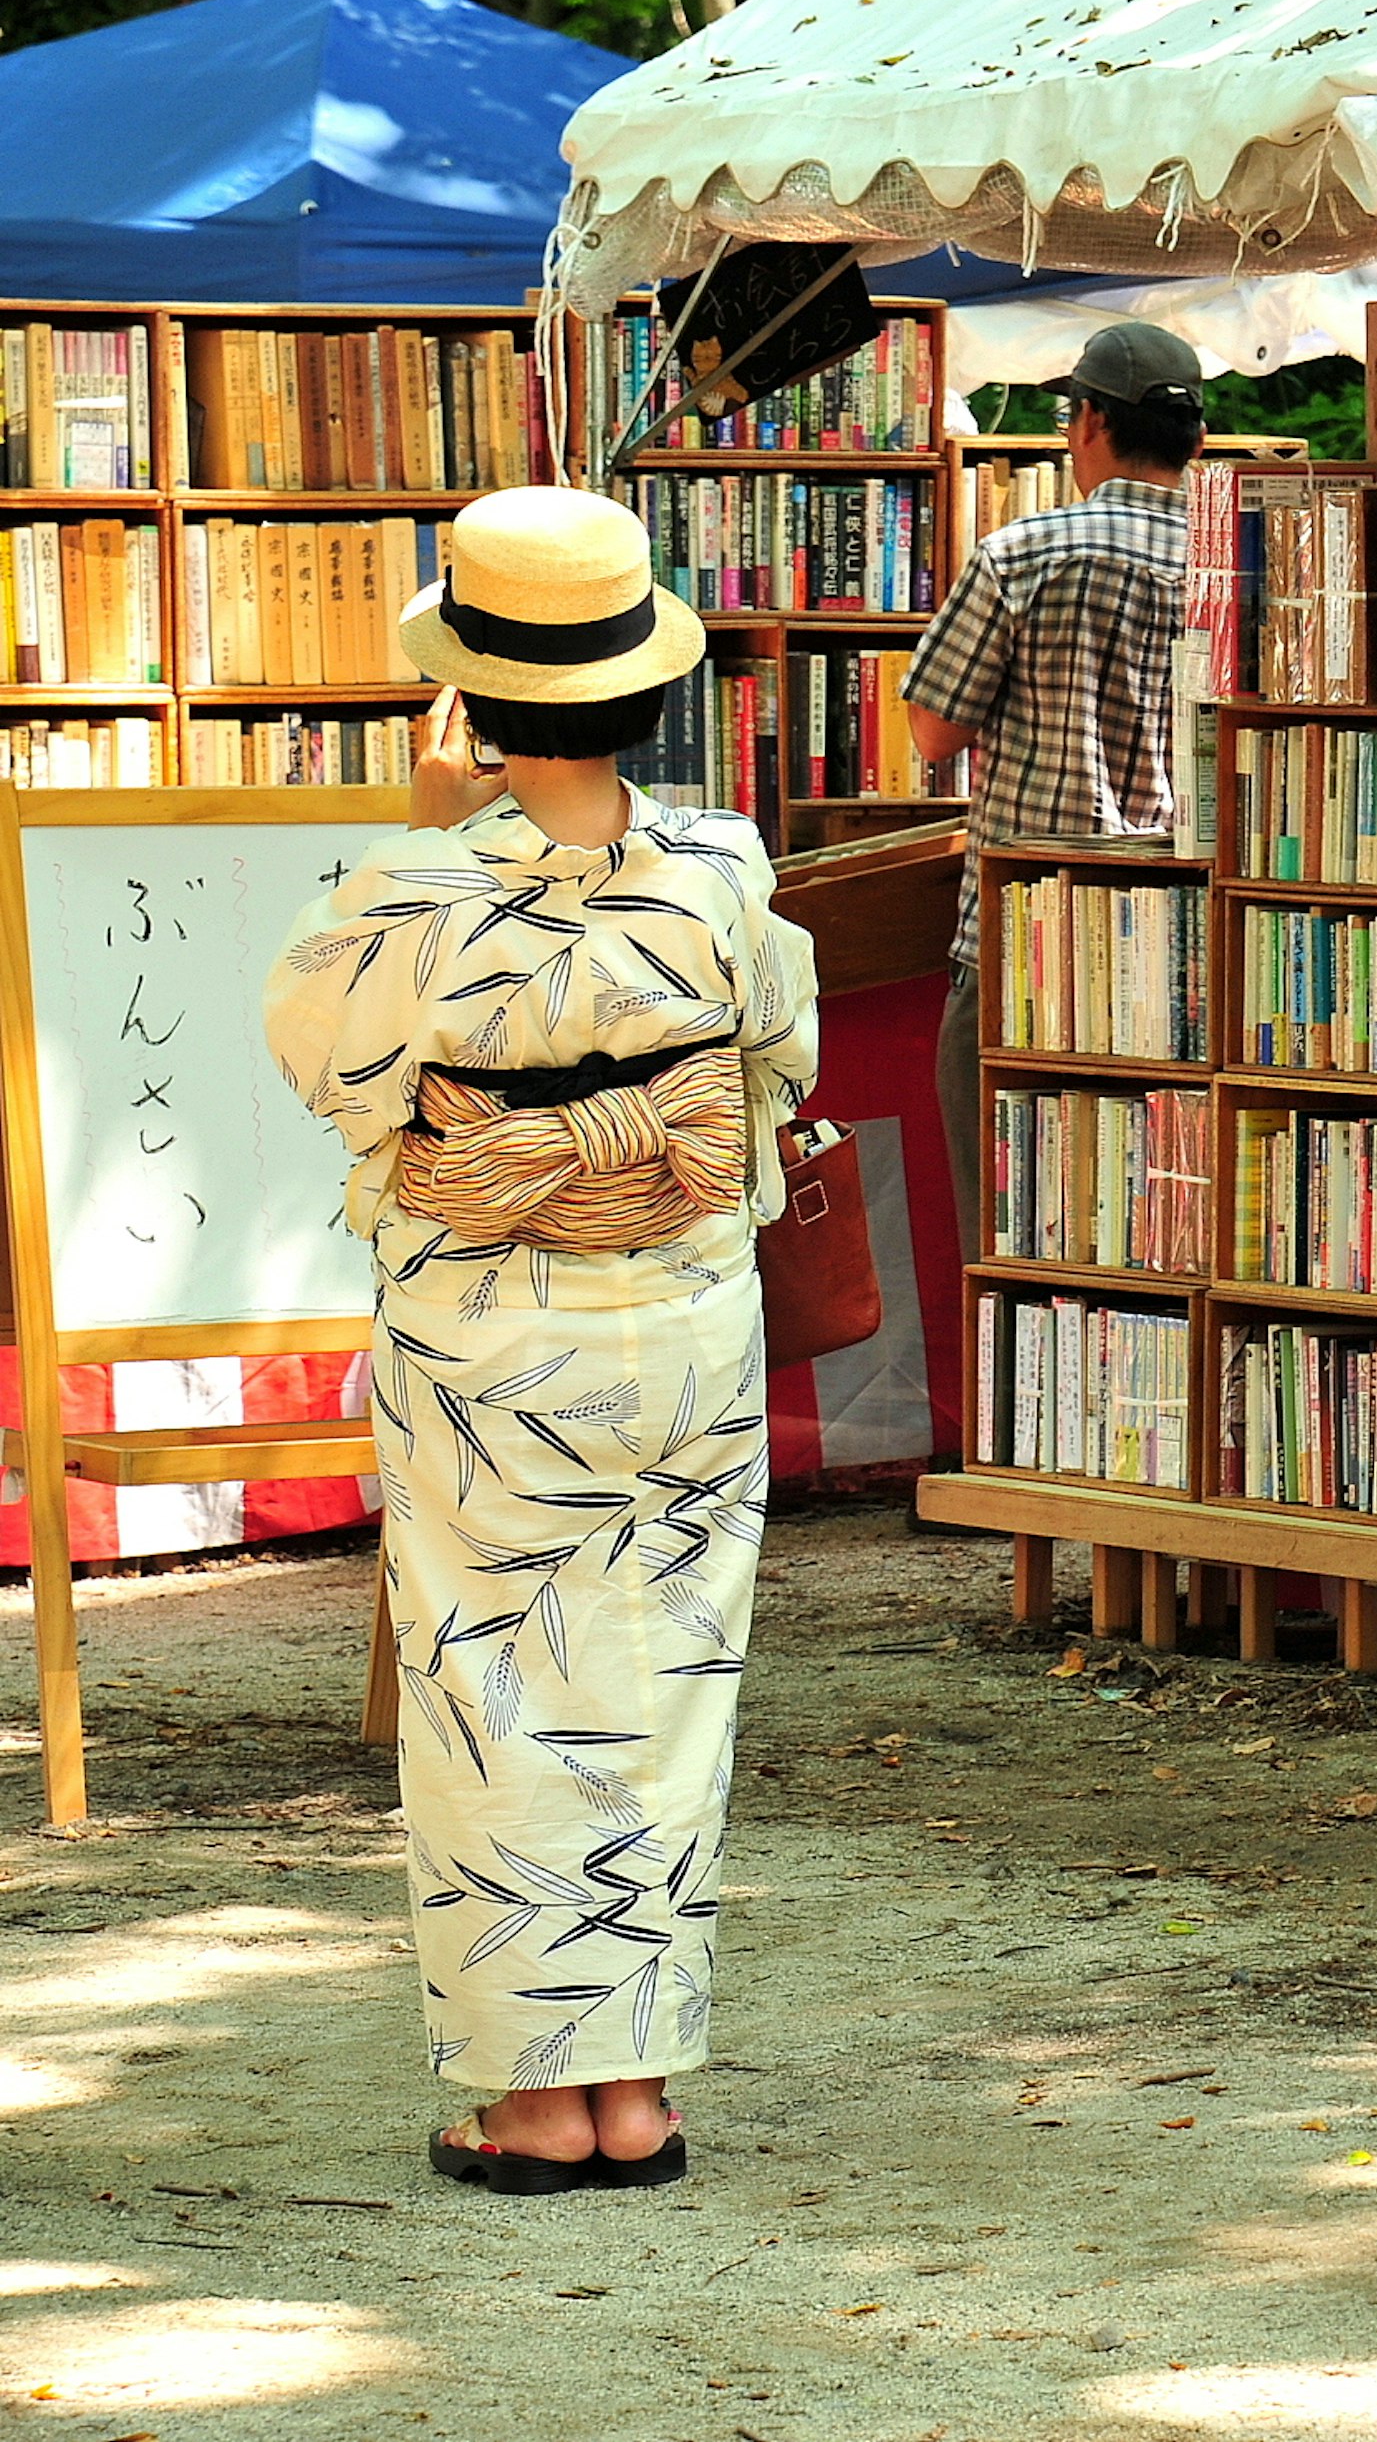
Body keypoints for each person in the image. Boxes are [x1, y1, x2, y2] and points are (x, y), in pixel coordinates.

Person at [264, 485, 818, 2195]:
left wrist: (440, 841)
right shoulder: (722, 866)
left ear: (476, 704)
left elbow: (332, 1071)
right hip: (681, 1327)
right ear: (645, 691)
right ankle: (634, 2091)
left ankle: (526, 2099)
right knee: (660, 1693)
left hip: (489, 1339)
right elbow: (775, 1070)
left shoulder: (413, 891)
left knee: (494, 1693)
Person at [903, 319, 1207, 1218]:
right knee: (1147, 1231)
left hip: (1022, 930)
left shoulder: (1021, 556)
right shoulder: (1239, 566)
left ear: (1087, 424)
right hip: (1184, 936)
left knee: (1003, 1235)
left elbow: (932, 732)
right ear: (1195, 438)